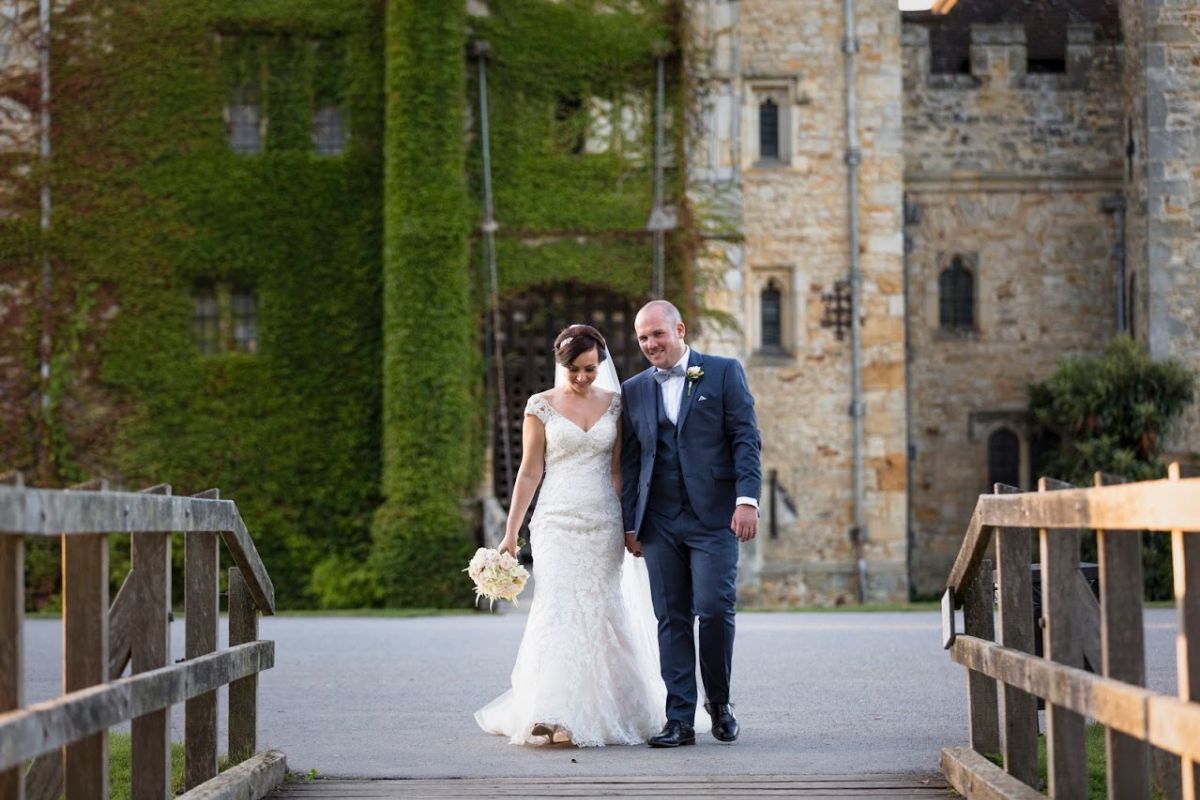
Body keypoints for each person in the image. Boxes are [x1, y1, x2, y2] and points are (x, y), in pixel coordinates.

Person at [474, 324, 666, 746]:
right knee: (557, 607)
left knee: (602, 608)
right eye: (574, 369)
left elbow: (618, 472)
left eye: (590, 369)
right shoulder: (540, 406)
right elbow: (530, 470)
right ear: (561, 364)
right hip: (555, 522)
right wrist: (511, 533)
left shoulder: (615, 405)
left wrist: (630, 526)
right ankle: (550, 710)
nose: (581, 377)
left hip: (603, 521)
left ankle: (612, 708)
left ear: (600, 365)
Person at [620, 300, 761, 748]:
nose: (650, 344)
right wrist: (630, 523)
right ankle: (679, 718)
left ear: (679, 330)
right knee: (671, 617)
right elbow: (630, 461)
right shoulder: (633, 389)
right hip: (658, 521)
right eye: (643, 337)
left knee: (715, 609)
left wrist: (746, 500)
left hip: (714, 516)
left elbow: (745, 438)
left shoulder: (723, 372)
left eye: (657, 334)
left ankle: (718, 702)